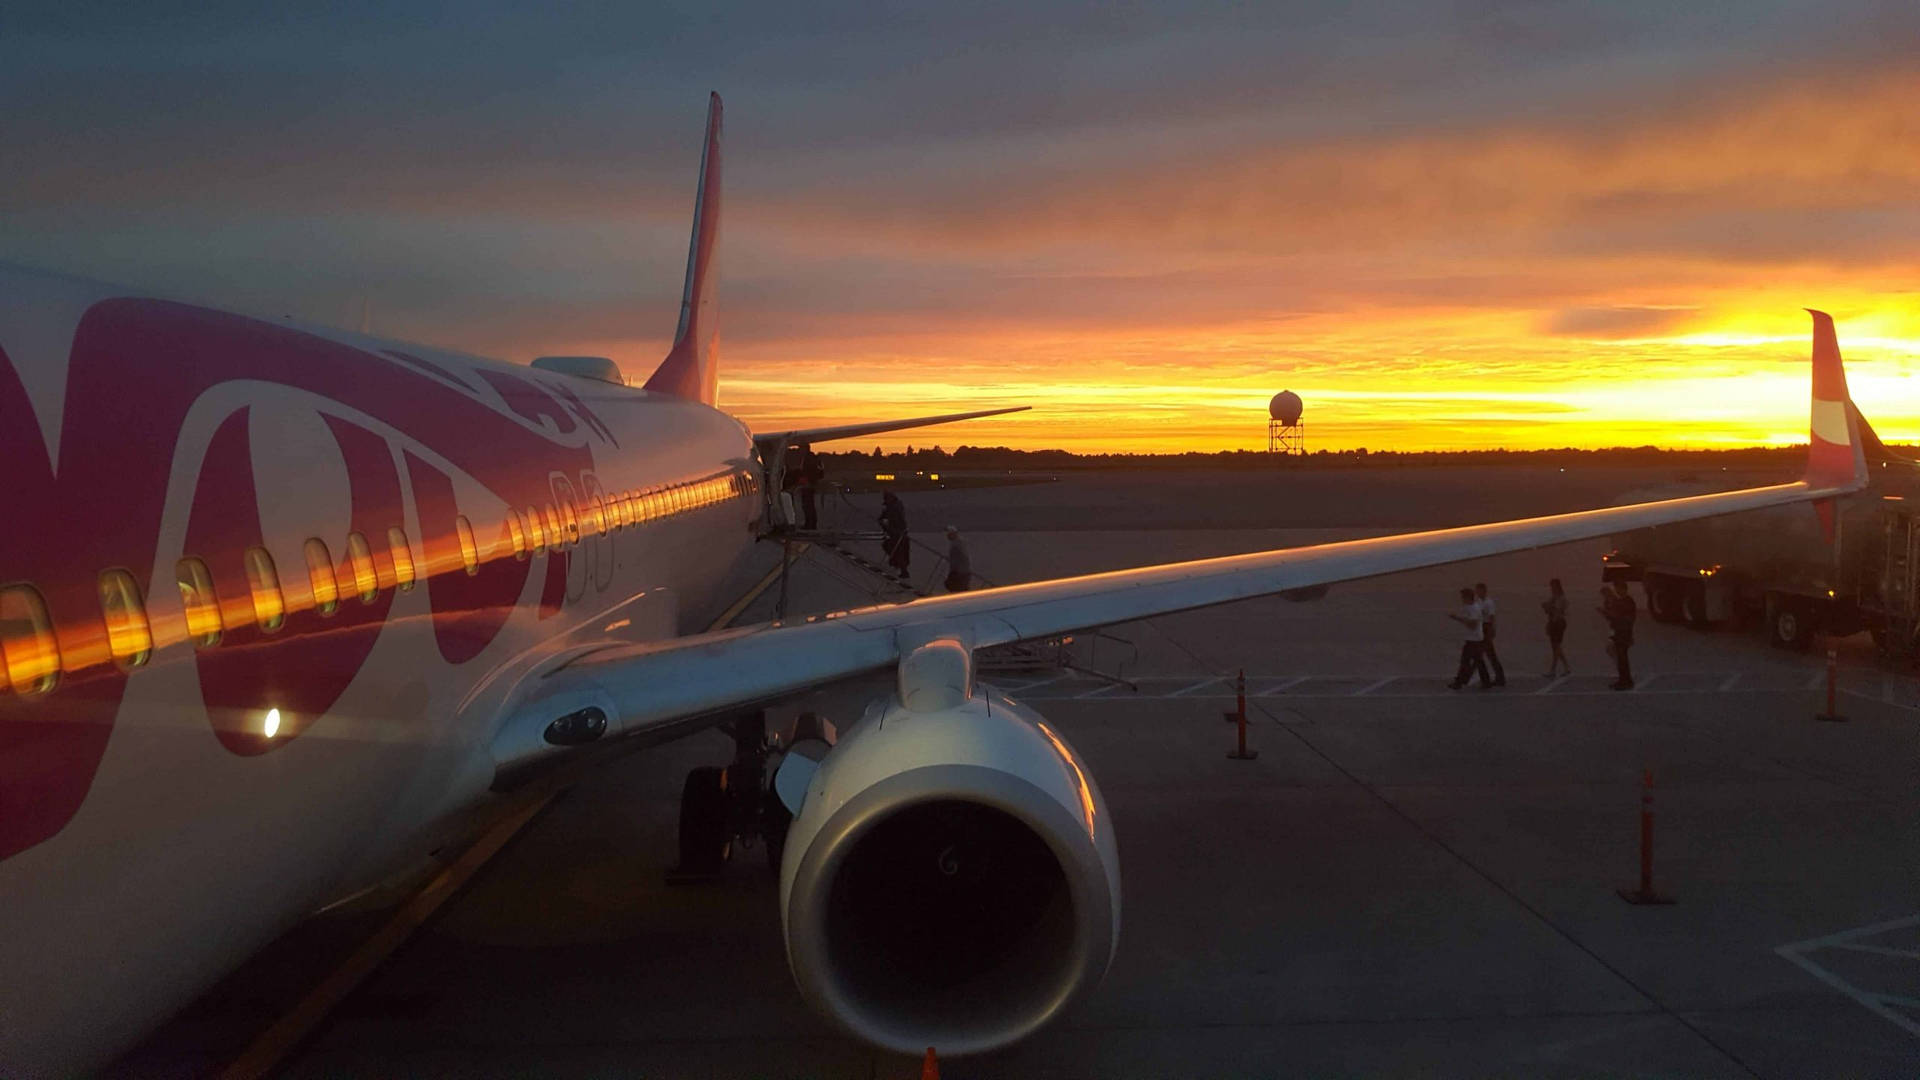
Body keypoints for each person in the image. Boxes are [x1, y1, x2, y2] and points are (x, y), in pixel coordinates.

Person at [1447, 587, 1493, 689]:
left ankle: (1459, 682)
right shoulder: (1469, 607)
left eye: (1463, 597)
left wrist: (1458, 618)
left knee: (1465, 661)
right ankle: (1486, 682)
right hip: (1475, 639)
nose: (1462, 599)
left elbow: (1473, 625)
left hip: (1474, 640)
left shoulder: (1474, 609)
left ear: (1468, 597)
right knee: (1479, 661)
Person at [1599, 580, 1636, 690]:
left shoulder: (1626, 602)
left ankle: (1625, 681)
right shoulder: (1624, 601)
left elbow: (1619, 617)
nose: (1617, 591)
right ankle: (1624, 680)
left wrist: (1605, 612)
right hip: (1621, 632)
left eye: (1618, 589)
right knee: (1621, 658)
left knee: (1622, 658)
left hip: (1623, 633)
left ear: (1623, 589)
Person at [1473, 582, 1506, 687]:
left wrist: (1492, 630)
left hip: (1486, 627)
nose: (1477, 592)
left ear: (1483, 590)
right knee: (1486, 655)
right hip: (1480, 627)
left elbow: (1491, 617)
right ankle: (1492, 678)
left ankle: (1494, 678)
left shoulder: (1488, 602)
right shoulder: (1478, 602)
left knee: (1489, 654)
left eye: (1479, 590)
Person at [1541, 578, 1571, 677]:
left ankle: (1553, 669)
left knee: (1556, 647)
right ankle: (1566, 667)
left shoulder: (1561, 598)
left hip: (1558, 623)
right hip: (1553, 622)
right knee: (1555, 647)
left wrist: (1549, 608)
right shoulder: (1554, 597)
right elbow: (1548, 609)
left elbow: (1557, 611)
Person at [878, 490, 910, 581]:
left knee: (898, 551)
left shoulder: (894, 508)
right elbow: (883, 517)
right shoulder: (892, 507)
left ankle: (902, 570)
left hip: (897, 533)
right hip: (895, 533)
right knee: (892, 548)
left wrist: (886, 524)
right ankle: (899, 567)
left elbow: (897, 520)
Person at [798, 449, 822, 531]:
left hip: (808, 485)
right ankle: (810, 524)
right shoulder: (810, 458)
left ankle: (810, 524)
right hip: (809, 484)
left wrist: (808, 482)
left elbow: (810, 472)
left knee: (808, 505)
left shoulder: (809, 459)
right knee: (808, 505)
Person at [943, 526, 973, 592]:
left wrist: (953, 570)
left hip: (960, 571)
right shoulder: (959, 542)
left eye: (949, 534)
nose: (947, 536)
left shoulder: (957, 543)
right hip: (963, 571)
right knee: (958, 587)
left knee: (953, 586)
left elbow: (958, 558)